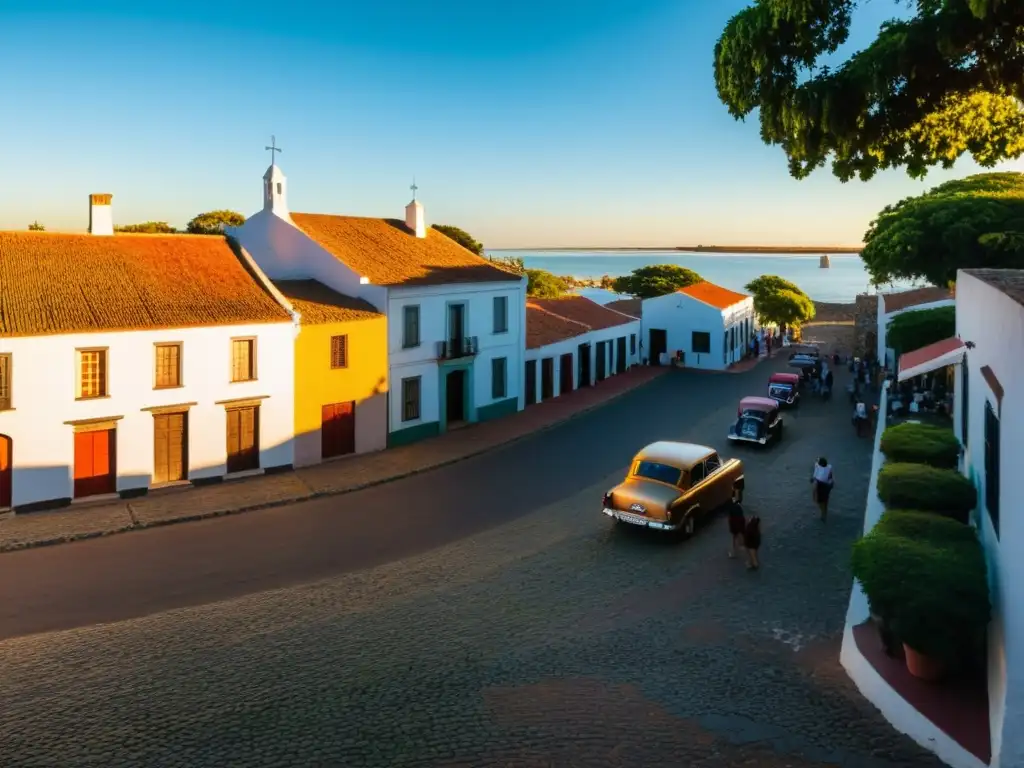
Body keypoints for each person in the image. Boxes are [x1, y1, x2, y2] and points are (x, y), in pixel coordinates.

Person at [811, 457, 835, 521]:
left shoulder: (818, 475)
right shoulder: (829, 468)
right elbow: (830, 477)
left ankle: (823, 513)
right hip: (826, 486)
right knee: (825, 501)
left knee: (820, 502)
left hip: (821, 487)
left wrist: (813, 496)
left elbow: (815, 487)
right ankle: (824, 512)